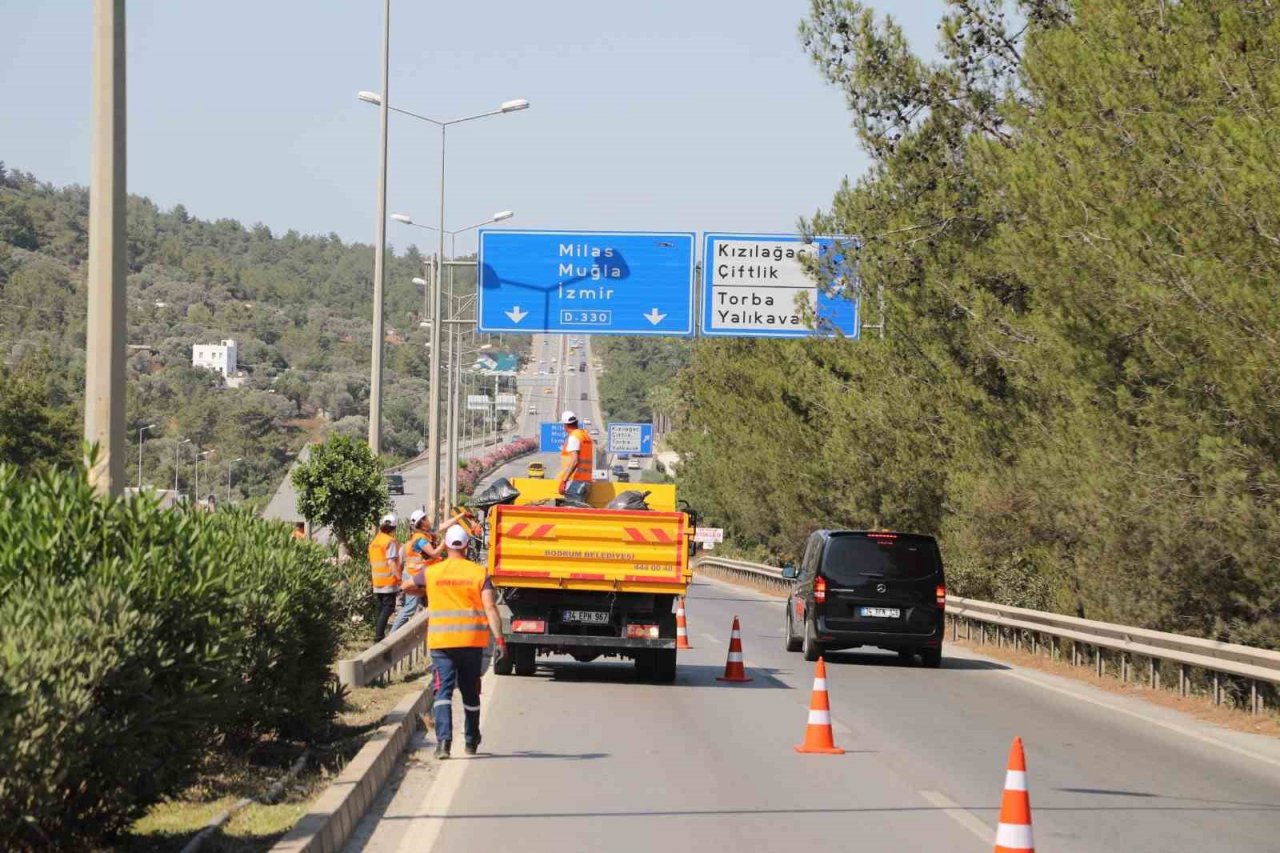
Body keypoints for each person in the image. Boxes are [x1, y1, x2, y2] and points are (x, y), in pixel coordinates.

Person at [425, 523, 506, 759]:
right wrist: (500, 640)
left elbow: (410, 584)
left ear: (446, 545)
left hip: (441, 644)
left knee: (442, 693)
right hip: (471, 644)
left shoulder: (432, 573)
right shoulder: (479, 573)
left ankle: (443, 744)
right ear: (467, 545)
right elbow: (490, 607)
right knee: (470, 693)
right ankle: (471, 740)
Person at [390, 508, 442, 633]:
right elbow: (434, 553)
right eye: (426, 518)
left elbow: (441, 527)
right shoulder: (420, 539)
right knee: (410, 607)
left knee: (424, 603)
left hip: (417, 575)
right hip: (414, 576)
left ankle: (426, 630)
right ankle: (392, 635)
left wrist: (460, 516)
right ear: (422, 522)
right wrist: (445, 544)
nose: (429, 520)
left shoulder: (418, 536)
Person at [368, 512, 402, 643]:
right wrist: (400, 578)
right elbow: (391, 562)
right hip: (388, 580)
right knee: (388, 607)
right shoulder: (390, 541)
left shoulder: (375, 540)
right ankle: (379, 636)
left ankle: (378, 633)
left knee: (381, 607)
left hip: (377, 580)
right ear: (394, 527)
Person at [555, 409, 594, 501]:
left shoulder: (574, 437)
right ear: (576, 422)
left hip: (575, 482)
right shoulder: (585, 435)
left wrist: (564, 480)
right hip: (585, 481)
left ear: (565, 425)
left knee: (571, 511)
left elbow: (575, 460)